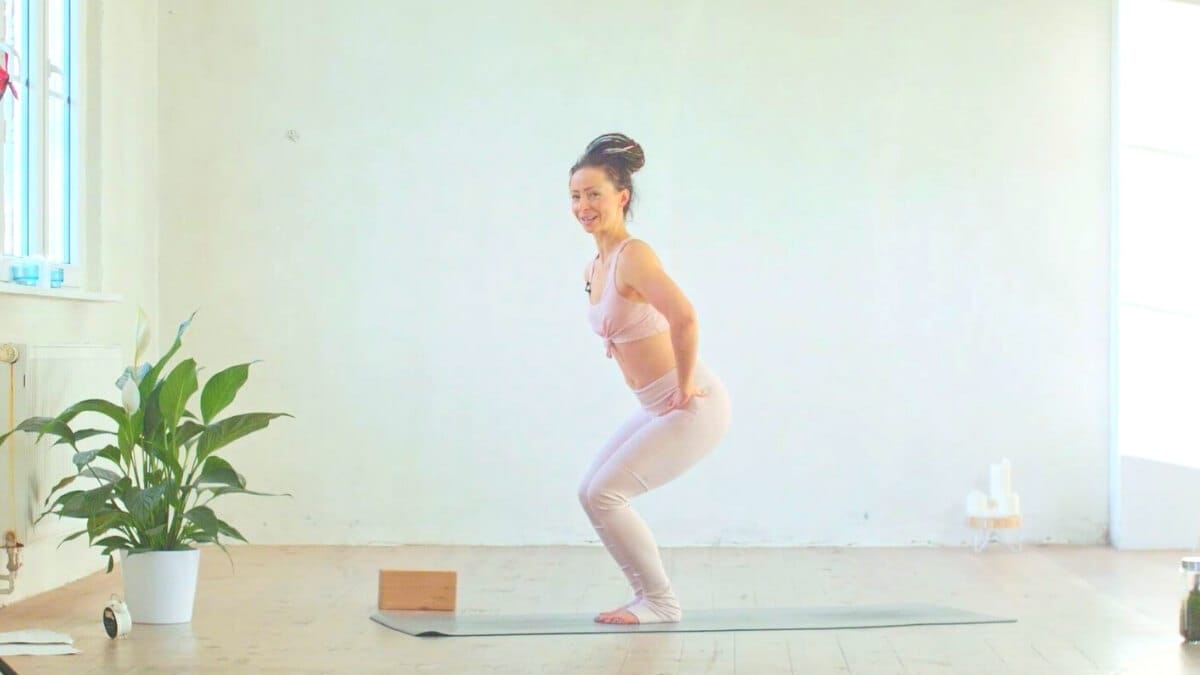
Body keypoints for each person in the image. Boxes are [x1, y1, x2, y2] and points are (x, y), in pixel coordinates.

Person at [571, 133, 732, 625]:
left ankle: (660, 601)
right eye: (575, 196)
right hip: (654, 405)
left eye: (594, 194)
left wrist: (683, 386)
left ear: (621, 197)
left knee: (605, 494)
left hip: (692, 404)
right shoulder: (594, 266)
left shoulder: (634, 256)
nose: (583, 206)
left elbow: (685, 317)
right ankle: (646, 597)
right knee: (591, 492)